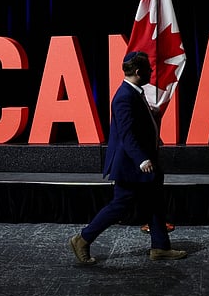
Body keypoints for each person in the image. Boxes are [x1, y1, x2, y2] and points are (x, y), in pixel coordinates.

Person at [69, 51, 187, 265]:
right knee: (119, 206)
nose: (152, 73)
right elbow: (126, 134)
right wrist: (141, 159)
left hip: (143, 161)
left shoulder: (134, 93)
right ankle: (83, 238)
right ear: (139, 71)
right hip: (132, 165)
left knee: (155, 203)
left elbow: (139, 126)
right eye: (149, 70)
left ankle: (160, 247)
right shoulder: (124, 96)